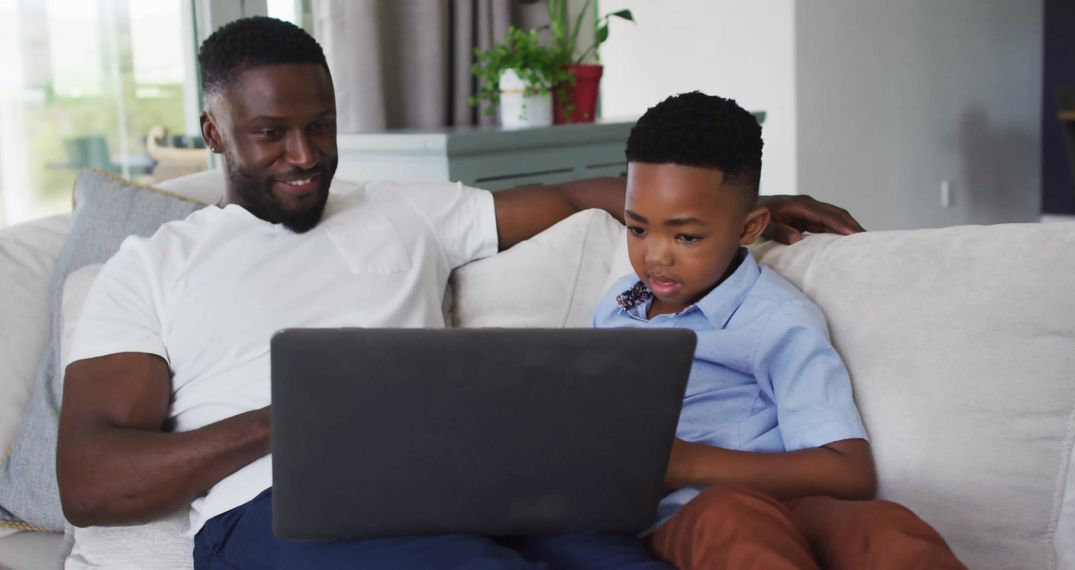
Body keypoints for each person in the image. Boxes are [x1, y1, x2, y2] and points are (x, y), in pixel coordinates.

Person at [55, 17, 864, 570]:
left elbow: (579, 196)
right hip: (277, 511)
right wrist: (290, 419)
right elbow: (90, 481)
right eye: (272, 133)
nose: (305, 155)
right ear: (213, 132)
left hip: (471, 485)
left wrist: (739, 213)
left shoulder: (402, 210)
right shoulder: (153, 267)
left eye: (323, 125)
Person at [593, 92, 966, 569]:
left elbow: (850, 474)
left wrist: (685, 463)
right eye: (637, 229)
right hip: (684, 516)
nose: (656, 255)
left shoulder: (775, 318)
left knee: (887, 530)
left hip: (788, 500)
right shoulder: (616, 309)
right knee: (735, 521)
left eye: (686, 236)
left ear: (750, 227)